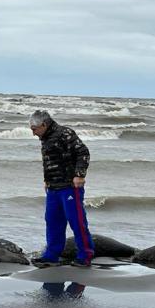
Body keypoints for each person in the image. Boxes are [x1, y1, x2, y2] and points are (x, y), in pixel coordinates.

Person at [29, 110, 95, 296]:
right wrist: (46, 180)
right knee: (52, 220)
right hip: (53, 187)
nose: (33, 132)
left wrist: (79, 175)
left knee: (76, 221)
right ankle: (52, 256)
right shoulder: (45, 138)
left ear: (44, 124)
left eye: (34, 129)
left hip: (70, 186)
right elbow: (50, 162)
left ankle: (85, 256)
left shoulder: (65, 133)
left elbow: (83, 152)